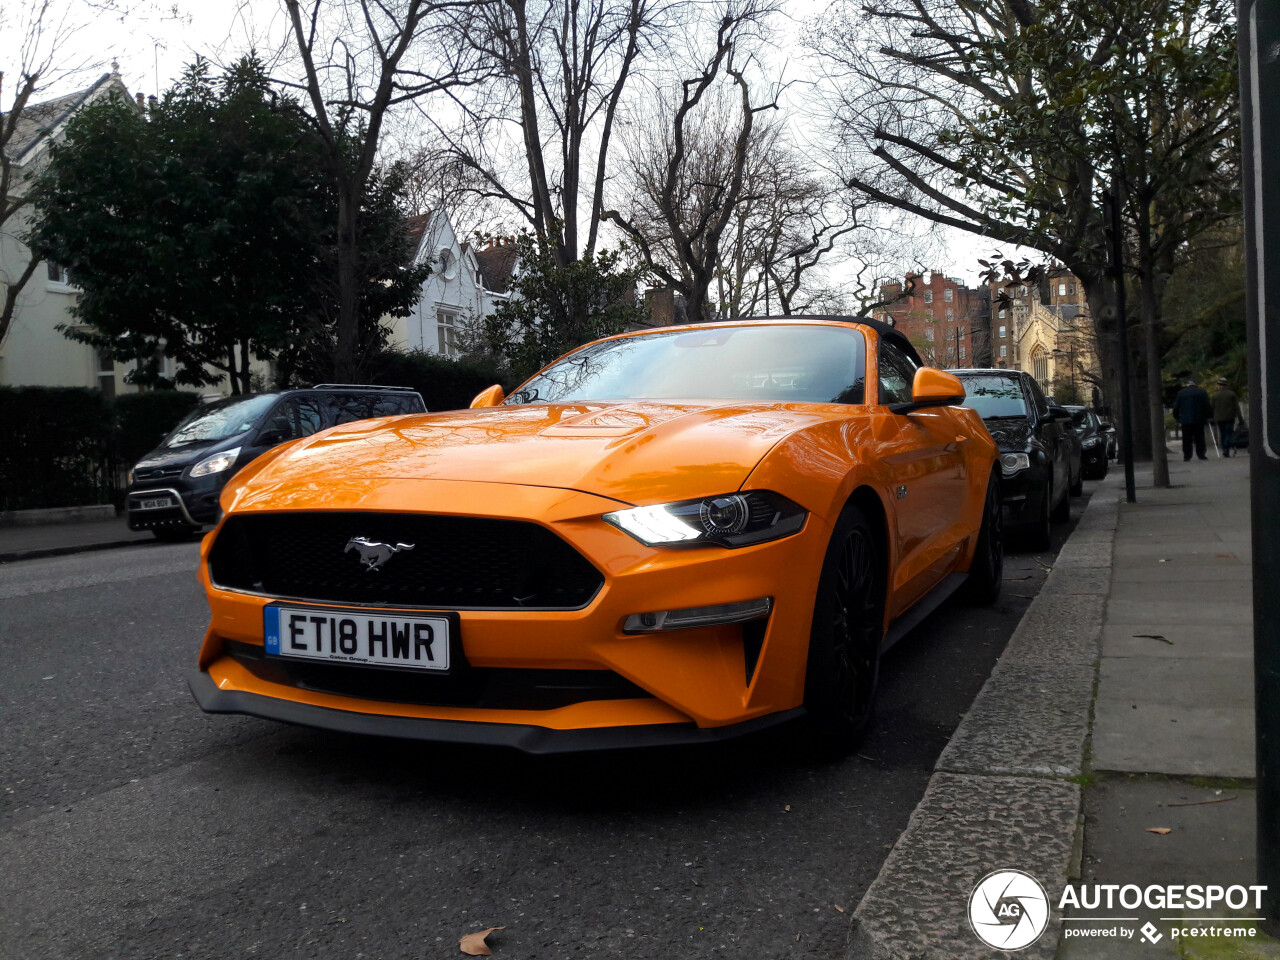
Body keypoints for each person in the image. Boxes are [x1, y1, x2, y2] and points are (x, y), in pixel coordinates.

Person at [1171, 378, 1212, 461]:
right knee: (1200, 437)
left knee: (1186, 439)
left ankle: (1187, 455)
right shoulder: (1202, 392)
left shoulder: (1181, 393)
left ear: (1187, 385)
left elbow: (1176, 407)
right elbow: (1207, 405)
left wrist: (1177, 417)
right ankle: (1201, 454)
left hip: (1186, 420)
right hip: (1199, 418)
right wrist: (1209, 416)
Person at [1211, 377, 1242, 457]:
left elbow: (1212, 408)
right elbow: (1237, 407)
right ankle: (1226, 447)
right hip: (1230, 417)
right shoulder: (1232, 394)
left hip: (1219, 418)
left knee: (1222, 434)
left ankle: (1225, 450)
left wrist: (1211, 418)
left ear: (1219, 385)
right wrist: (1240, 418)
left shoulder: (1215, 395)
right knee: (1228, 433)